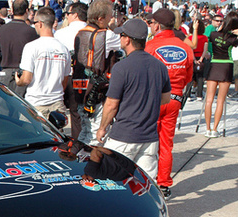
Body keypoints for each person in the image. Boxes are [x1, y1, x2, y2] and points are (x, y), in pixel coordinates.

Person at [96, 18, 171, 181]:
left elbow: (111, 104)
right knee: (145, 183)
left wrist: (102, 128)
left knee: (110, 181)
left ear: (127, 39)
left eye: (121, 35)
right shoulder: (160, 66)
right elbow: (165, 98)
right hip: (149, 137)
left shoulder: (121, 67)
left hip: (124, 136)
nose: (120, 39)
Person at [146, 8, 193, 199]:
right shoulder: (185, 47)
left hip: (154, 99)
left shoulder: (150, 47)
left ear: (157, 25)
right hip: (174, 99)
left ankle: (147, 179)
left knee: (149, 142)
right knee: (166, 143)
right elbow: (188, 77)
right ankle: (164, 183)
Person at [74, 0, 121, 146]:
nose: (110, 20)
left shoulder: (80, 33)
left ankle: (80, 157)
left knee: (85, 130)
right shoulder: (107, 35)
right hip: (97, 90)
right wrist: (114, 28)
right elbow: (125, 45)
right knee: (95, 134)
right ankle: (91, 164)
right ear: (100, 18)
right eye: (109, 17)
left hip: (80, 88)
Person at [15, 6, 71, 120]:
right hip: (57, 103)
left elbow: (26, 79)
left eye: (34, 22)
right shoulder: (63, 49)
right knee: (54, 137)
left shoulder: (31, 47)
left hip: (35, 103)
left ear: (40, 23)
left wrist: (18, 81)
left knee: (29, 135)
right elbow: (64, 81)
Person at [204, 12, 238, 138]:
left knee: (209, 99)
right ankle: (215, 129)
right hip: (226, 66)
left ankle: (207, 128)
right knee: (220, 100)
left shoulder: (213, 35)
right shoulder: (233, 38)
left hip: (214, 65)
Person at [55, 2, 88, 139]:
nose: (66, 16)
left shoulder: (61, 33)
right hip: (87, 78)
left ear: (75, 14)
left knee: (68, 114)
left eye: (68, 14)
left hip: (66, 77)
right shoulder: (93, 31)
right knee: (80, 114)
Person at [0, 0, 38, 97]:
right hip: (24, 72)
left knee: (4, 106)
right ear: (27, 11)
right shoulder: (31, 31)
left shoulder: (2, 29)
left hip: (5, 71)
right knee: (22, 106)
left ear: (12, 10)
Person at [188, 16, 208, 101]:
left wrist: (194, 59)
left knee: (190, 76)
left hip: (192, 57)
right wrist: (201, 59)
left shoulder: (190, 38)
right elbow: (205, 49)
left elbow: (191, 49)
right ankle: (199, 94)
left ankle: (188, 94)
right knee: (200, 77)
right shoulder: (205, 38)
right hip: (201, 57)